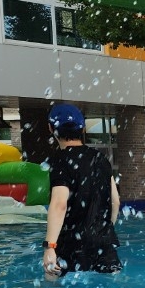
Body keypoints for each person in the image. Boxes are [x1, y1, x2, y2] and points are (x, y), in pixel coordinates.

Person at [42, 102, 121, 276]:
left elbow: (59, 204)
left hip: (72, 244)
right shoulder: (100, 158)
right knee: (113, 284)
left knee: (52, 282)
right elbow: (115, 201)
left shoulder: (60, 160)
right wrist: (104, 231)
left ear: (51, 128)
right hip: (104, 244)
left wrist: (50, 246)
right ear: (83, 129)